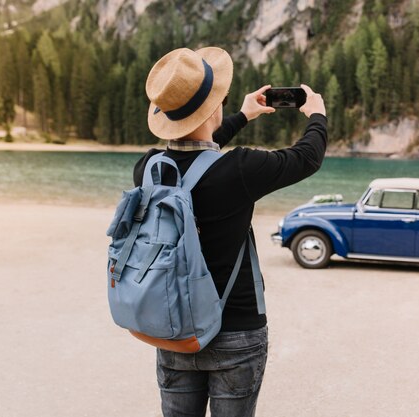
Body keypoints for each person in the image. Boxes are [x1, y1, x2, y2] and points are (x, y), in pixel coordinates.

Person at [133, 47, 327, 417]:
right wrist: (316, 113)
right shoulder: (240, 169)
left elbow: (192, 156)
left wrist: (242, 116)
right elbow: (307, 156)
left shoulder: (148, 169)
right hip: (236, 330)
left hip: (173, 328)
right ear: (214, 108)